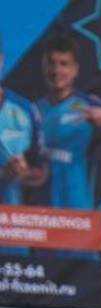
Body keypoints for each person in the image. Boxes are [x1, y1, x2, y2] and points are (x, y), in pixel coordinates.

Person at [36, 34, 101, 212]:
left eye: (64, 64)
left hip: (79, 210)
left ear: (75, 69)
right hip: (40, 212)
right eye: (51, 63)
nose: (56, 70)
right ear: (43, 67)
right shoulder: (33, 110)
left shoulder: (88, 105)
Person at [0, 34, 46, 208]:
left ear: (1, 60)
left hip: (12, 219)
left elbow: (40, 171)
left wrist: (23, 172)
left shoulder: (25, 109)